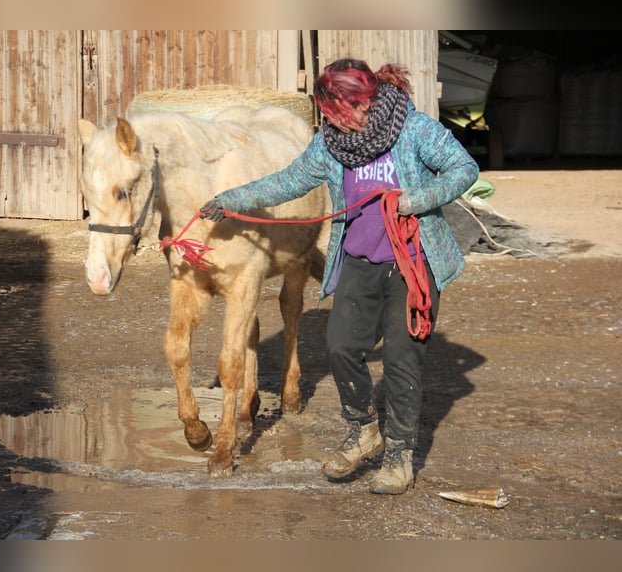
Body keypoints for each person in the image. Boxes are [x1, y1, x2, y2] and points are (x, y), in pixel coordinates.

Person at [199, 58, 479, 494]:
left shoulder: (414, 129)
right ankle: (363, 430)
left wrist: (418, 199)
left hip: (412, 262)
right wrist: (233, 199)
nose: (328, 120)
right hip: (359, 261)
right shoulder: (331, 143)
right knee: (342, 347)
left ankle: (399, 457)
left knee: (402, 360)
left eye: (333, 112)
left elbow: (465, 169)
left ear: (359, 103)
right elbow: (289, 181)